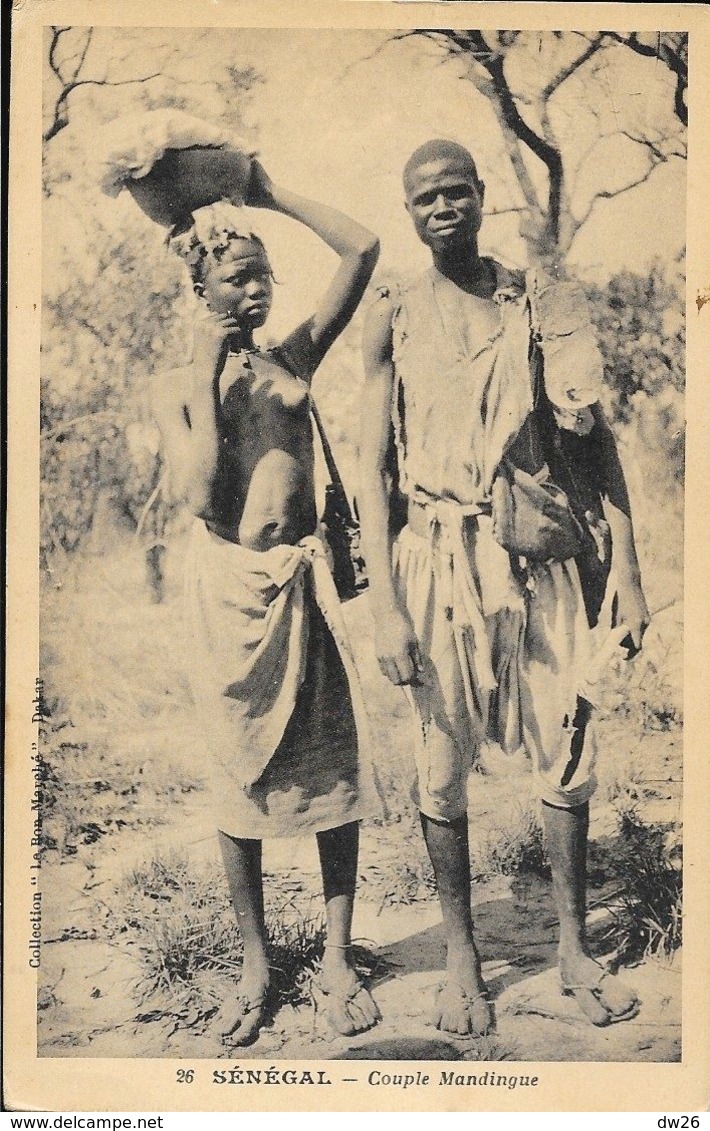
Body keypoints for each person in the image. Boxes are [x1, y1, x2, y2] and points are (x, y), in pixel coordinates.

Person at [359, 139, 650, 1038]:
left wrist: (630, 568)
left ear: (483, 199)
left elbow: (595, 442)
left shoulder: (537, 303)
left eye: (457, 191)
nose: (443, 207)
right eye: (425, 197)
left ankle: (571, 946)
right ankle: (461, 957)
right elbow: (372, 471)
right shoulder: (393, 311)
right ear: (409, 213)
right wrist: (385, 603)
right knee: (442, 761)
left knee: (569, 744)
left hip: (536, 555)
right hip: (438, 559)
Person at [152, 160, 382, 1046]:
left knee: (333, 767)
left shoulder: (295, 354)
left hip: (298, 586)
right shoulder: (177, 382)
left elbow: (362, 247)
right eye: (237, 275)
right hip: (228, 597)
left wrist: (268, 192)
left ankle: (334, 952)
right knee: (236, 774)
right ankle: (255, 962)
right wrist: (209, 378)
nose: (256, 288)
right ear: (199, 285)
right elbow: (199, 490)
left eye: (263, 274)